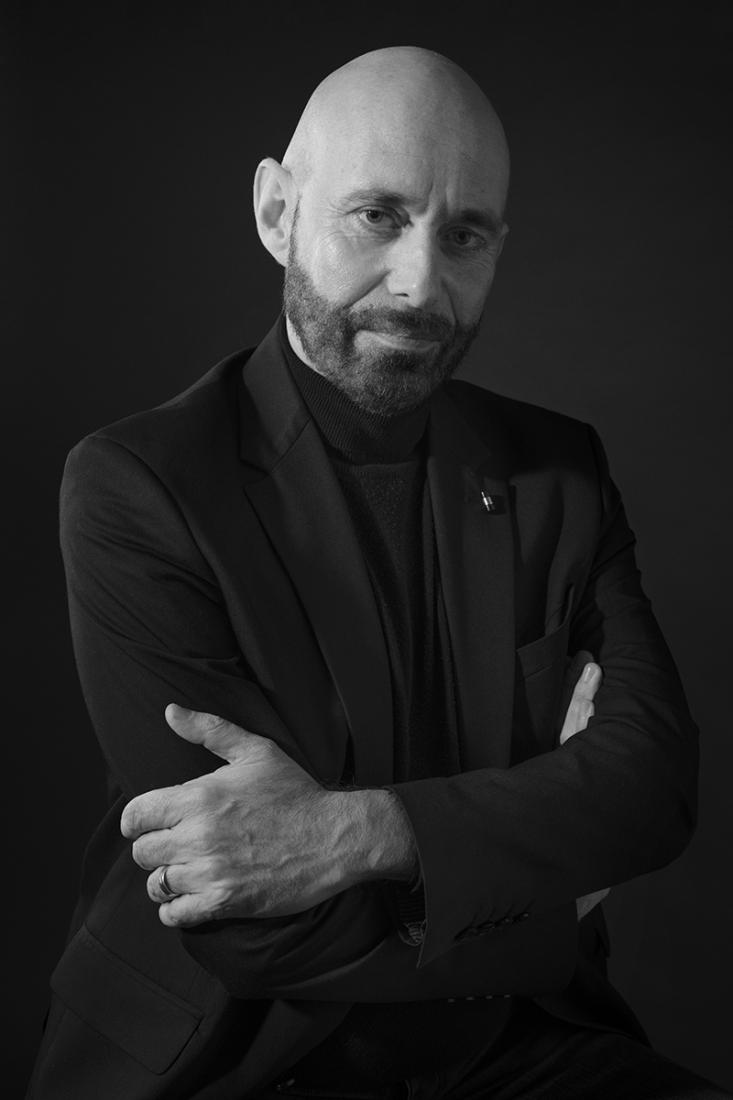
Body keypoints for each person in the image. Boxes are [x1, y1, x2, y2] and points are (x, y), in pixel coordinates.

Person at [27, 45, 726, 1100]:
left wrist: (361, 832)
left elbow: (652, 787)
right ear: (277, 213)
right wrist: (550, 895)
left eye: (464, 235)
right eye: (376, 216)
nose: (420, 284)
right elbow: (252, 926)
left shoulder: (559, 470)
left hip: (512, 1046)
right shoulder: (139, 485)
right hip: (231, 1059)